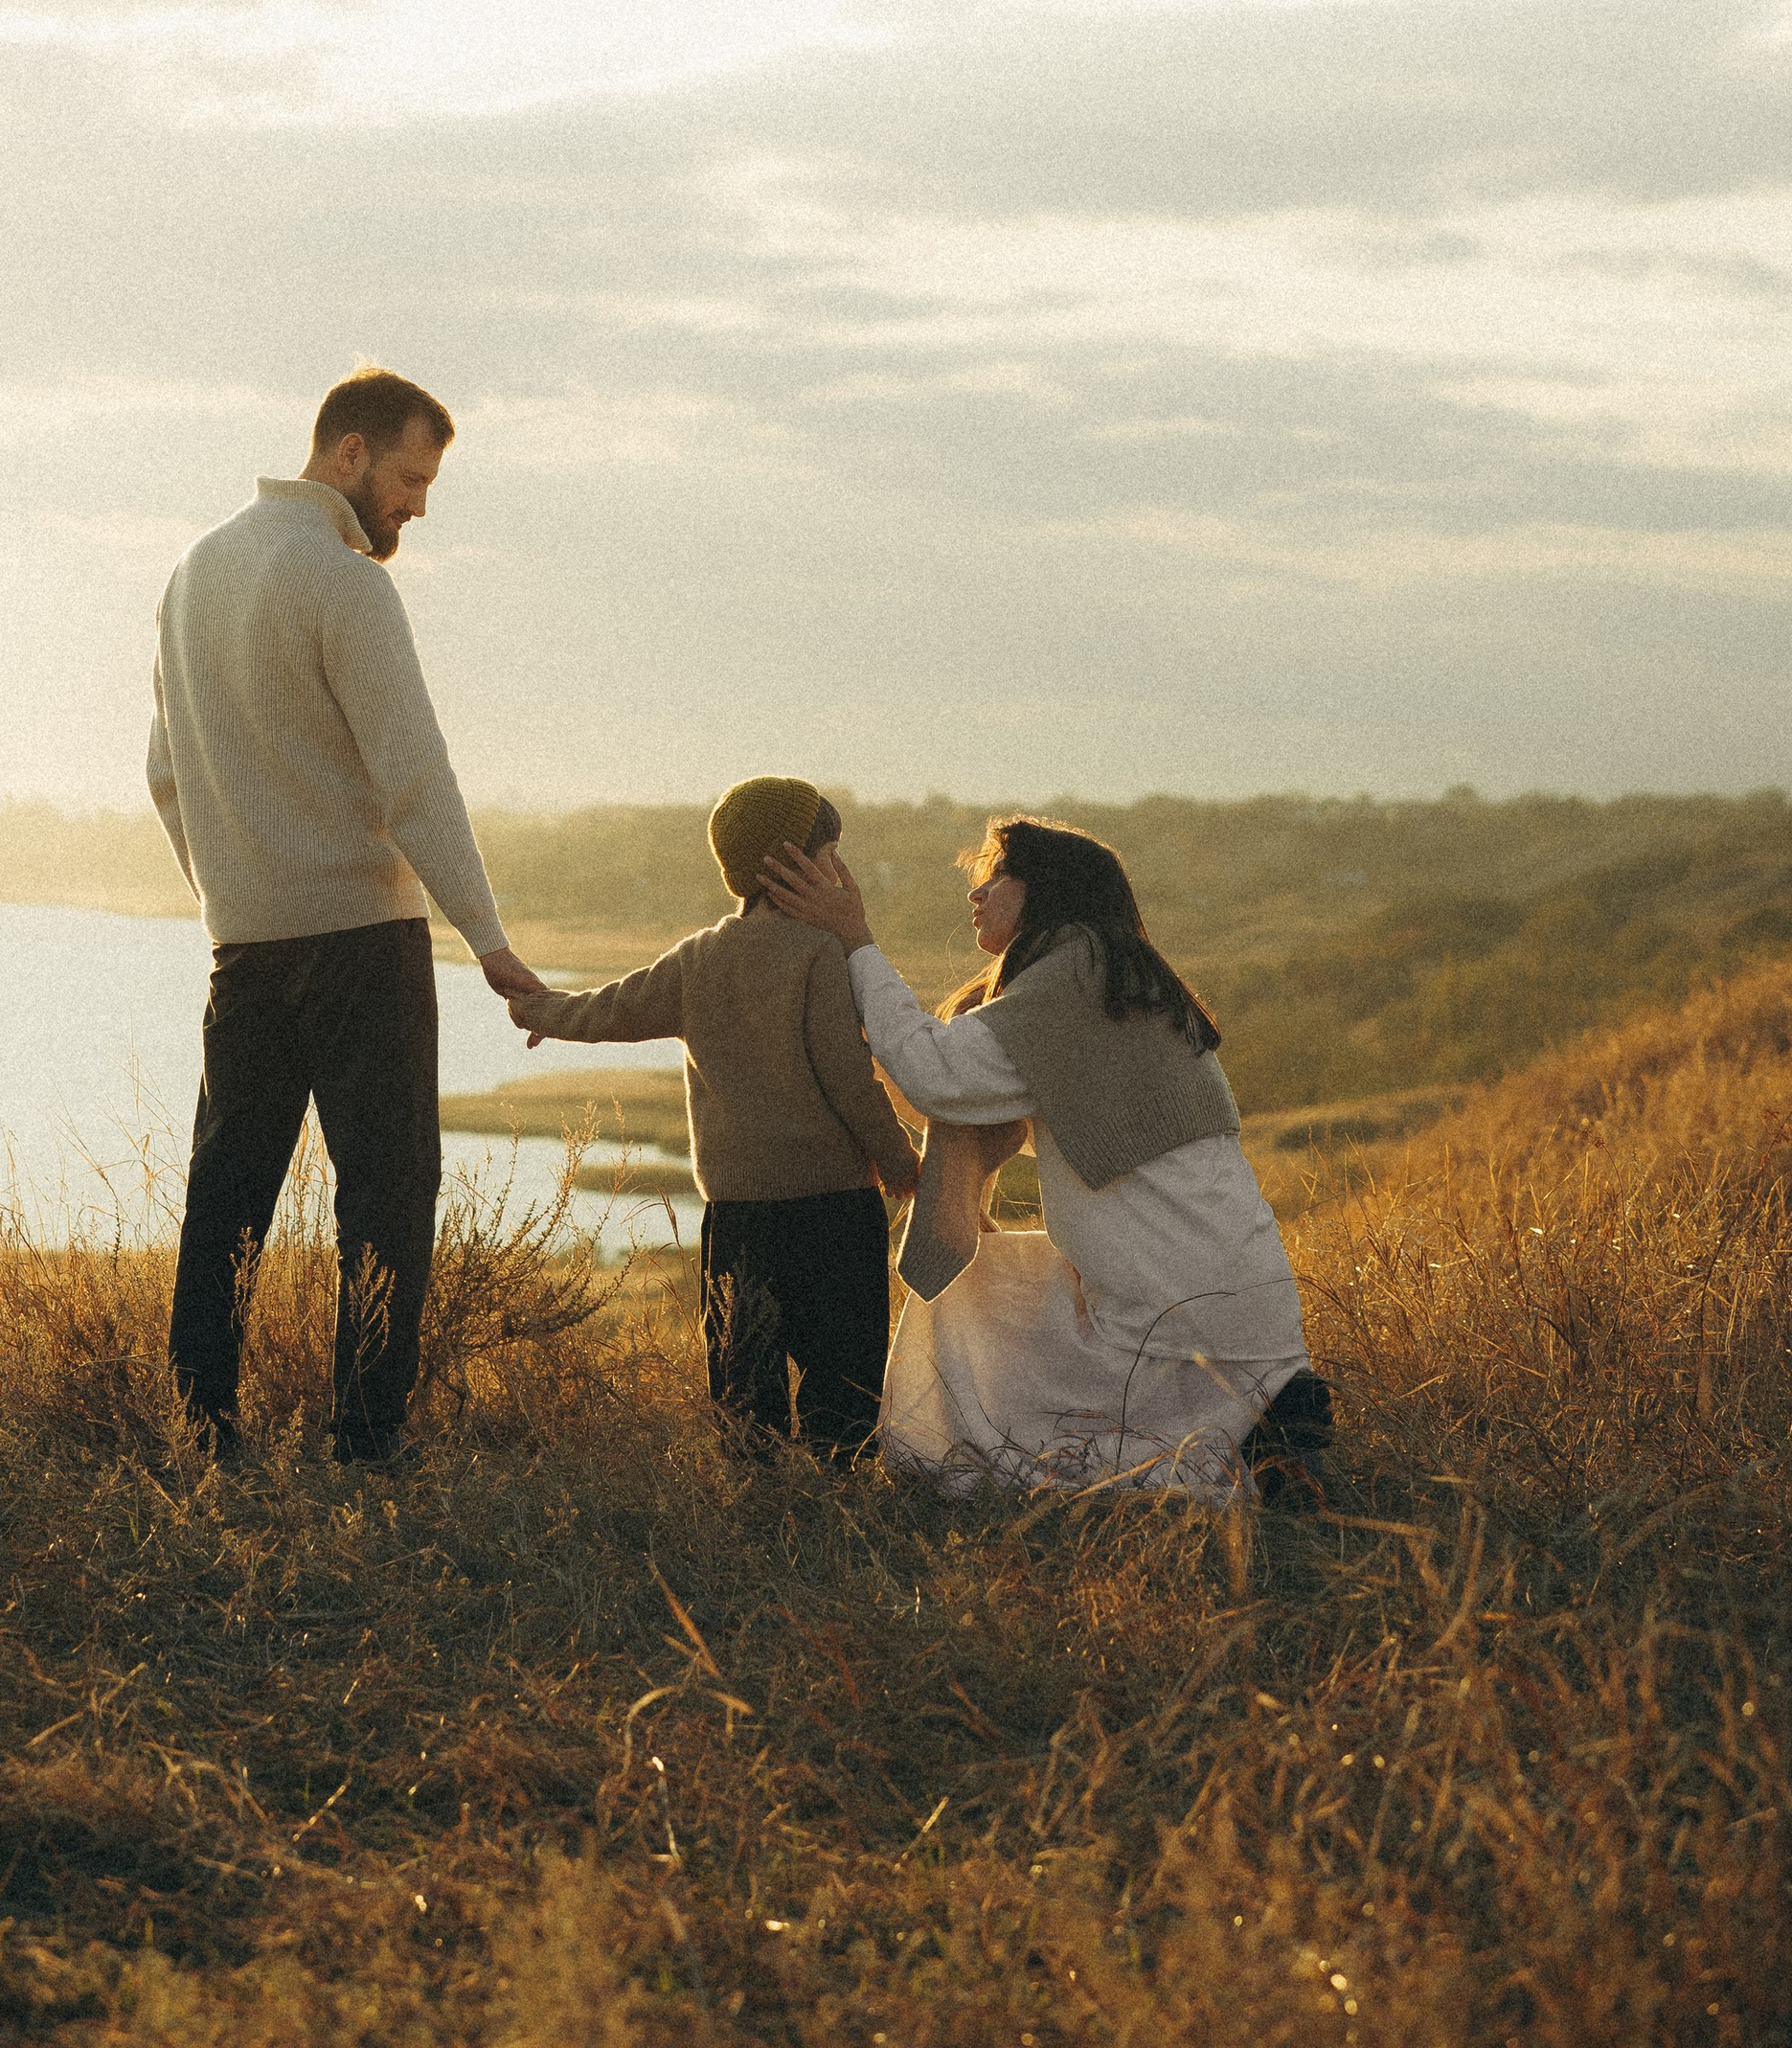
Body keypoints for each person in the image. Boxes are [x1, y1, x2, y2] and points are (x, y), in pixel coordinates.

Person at [149, 368, 540, 1465]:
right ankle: (367, 1442)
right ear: (350, 454)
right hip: (363, 943)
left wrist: (232, 895)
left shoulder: (193, 572)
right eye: (412, 478)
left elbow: (166, 775)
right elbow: (414, 776)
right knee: (385, 1193)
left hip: (247, 946)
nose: (417, 506)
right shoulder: (345, 581)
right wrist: (489, 940)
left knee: (225, 1195)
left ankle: (203, 1428)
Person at [763, 813, 1331, 1503]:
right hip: (1227, 1301)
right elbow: (959, 1095)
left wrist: (856, 941)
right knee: (989, 1281)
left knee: (969, 1318)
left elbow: (939, 1078)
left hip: (1181, 1311)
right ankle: (1261, 1427)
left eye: (996, 875)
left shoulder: (1075, 973)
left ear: (1048, 889)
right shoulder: (1108, 975)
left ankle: (1241, 1450)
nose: (977, 892)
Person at [507, 777, 922, 1459]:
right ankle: (837, 1516)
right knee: (844, 1387)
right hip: (833, 1211)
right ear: (791, 862)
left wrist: (539, 1011)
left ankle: (752, 1505)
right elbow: (848, 1079)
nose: (842, 873)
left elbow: (609, 1009)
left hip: (737, 1216)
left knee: (742, 1386)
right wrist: (901, 1158)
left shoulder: (699, 957)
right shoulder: (821, 953)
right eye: (832, 854)